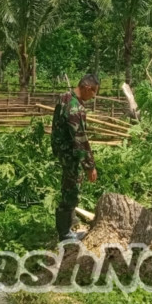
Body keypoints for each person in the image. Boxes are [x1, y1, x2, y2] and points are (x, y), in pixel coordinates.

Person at [51, 74, 99, 242]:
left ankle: (70, 222)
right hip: (71, 154)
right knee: (71, 190)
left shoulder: (64, 97)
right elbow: (79, 139)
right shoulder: (75, 108)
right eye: (93, 93)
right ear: (87, 88)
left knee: (68, 185)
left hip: (62, 151)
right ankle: (65, 234)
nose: (93, 97)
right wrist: (90, 166)